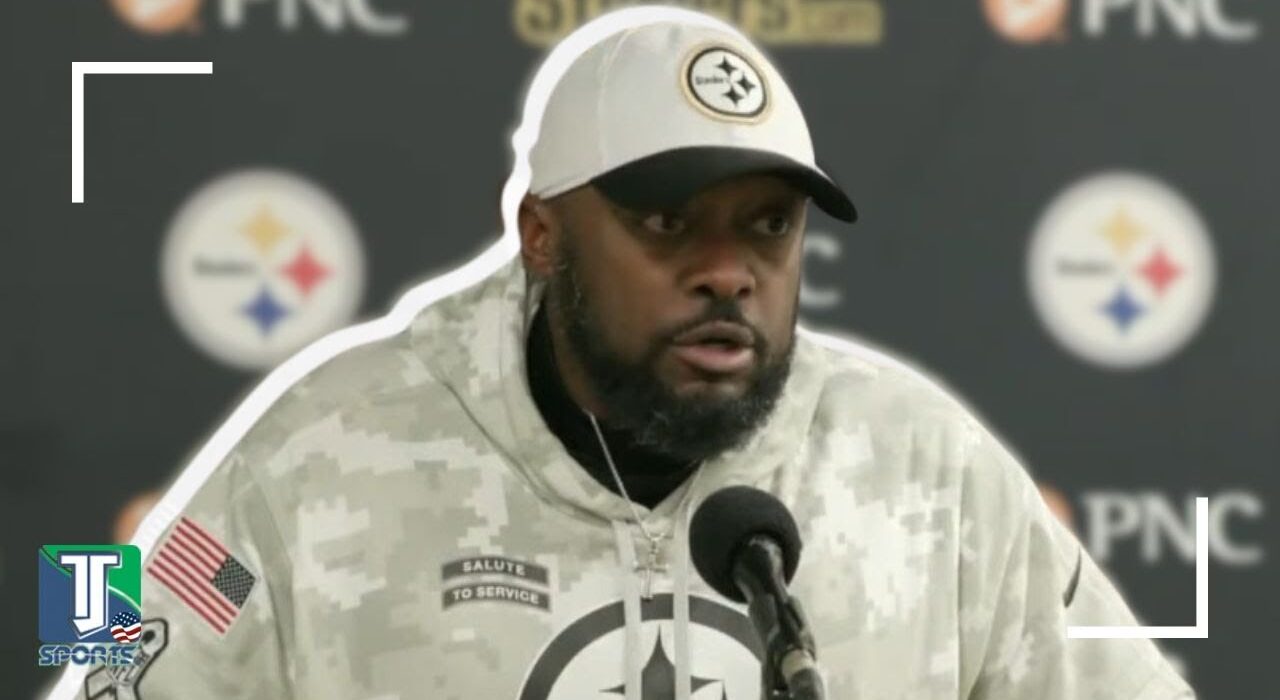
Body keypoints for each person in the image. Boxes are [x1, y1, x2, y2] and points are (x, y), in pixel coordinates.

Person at [55, 8, 1193, 699]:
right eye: (665, 221)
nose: (726, 272)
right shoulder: (314, 445)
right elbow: (99, 660)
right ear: (540, 234)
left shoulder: (929, 467)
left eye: (767, 226)